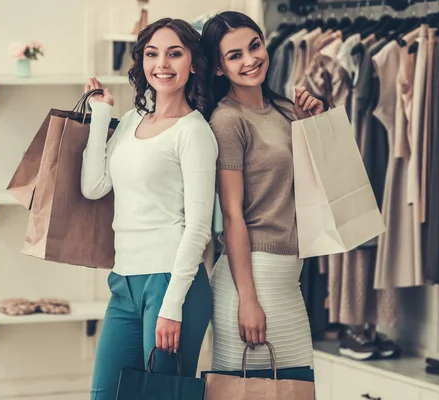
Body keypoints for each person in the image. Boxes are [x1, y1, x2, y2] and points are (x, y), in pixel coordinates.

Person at [81, 18, 218, 400]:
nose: (163, 64)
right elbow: (93, 187)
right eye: (152, 53)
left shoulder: (194, 132)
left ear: (193, 63)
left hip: (172, 284)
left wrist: (172, 305)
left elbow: (198, 227)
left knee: (161, 396)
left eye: (175, 53)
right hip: (124, 281)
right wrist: (102, 117)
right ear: (141, 61)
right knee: (105, 395)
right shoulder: (131, 121)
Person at [201, 11, 324, 374]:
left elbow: (308, 190)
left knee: (298, 390)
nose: (251, 59)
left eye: (254, 46)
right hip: (253, 276)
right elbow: (232, 214)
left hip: (289, 278)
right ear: (219, 68)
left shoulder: (286, 109)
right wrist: (248, 300)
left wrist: (307, 125)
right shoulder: (227, 120)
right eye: (234, 55)